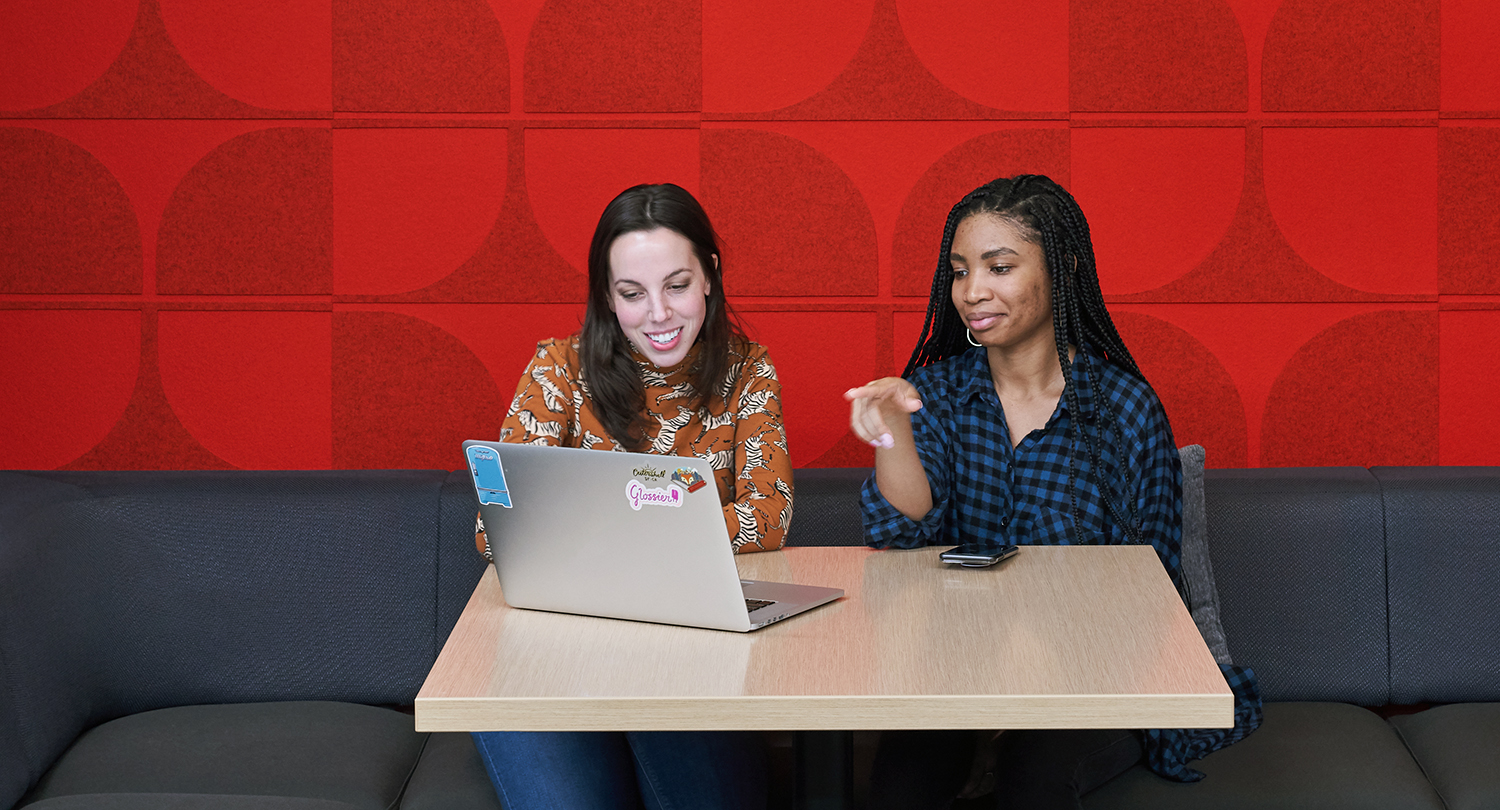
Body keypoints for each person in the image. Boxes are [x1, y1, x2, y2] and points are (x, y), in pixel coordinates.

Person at [845, 175, 1261, 809]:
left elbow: (1152, 593)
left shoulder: (1122, 410)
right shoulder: (941, 393)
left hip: (1092, 678)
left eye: (999, 267)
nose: (972, 292)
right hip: (955, 675)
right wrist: (894, 429)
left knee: (1031, 781)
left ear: (1060, 271)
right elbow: (899, 536)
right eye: (959, 272)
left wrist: (1031, 698)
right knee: (902, 784)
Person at [471, 183, 790, 810]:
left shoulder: (747, 371)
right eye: (632, 294)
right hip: (554, 649)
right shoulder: (557, 368)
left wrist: (608, 533)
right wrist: (675, 519)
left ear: (709, 277)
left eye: (676, 284)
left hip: (691, 650)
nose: (659, 315)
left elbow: (770, 517)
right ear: (606, 297)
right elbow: (495, 530)